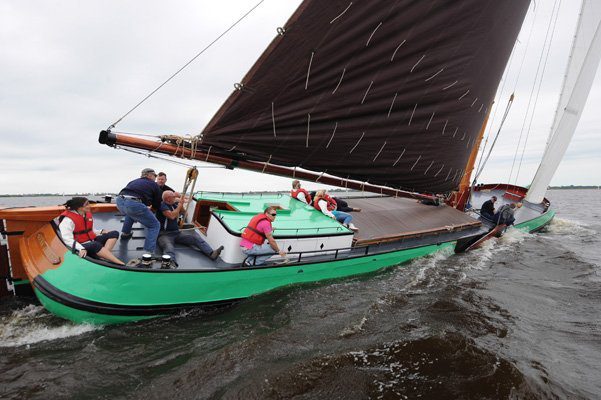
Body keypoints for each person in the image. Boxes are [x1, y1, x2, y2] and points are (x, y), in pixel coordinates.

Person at [156, 190, 223, 264]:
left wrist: (181, 205)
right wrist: (179, 206)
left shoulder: (173, 205)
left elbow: (185, 213)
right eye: (174, 197)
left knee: (194, 238)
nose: (175, 198)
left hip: (176, 232)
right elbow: (171, 216)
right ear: (168, 198)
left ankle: (211, 253)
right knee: (168, 246)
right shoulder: (162, 205)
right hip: (164, 234)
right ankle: (171, 262)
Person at [58, 197, 125, 265]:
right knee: (95, 245)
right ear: (79, 207)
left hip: (91, 240)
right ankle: (120, 263)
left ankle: (104, 256)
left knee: (114, 233)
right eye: (86, 204)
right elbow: (67, 239)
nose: (89, 206)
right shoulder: (67, 220)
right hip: (80, 244)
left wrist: (101, 231)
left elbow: (90, 230)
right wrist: (81, 248)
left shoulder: (86, 214)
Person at [116, 168, 162, 253]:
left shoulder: (133, 181)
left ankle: (125, 234)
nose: (155, 178)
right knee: (155, 225)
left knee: (131, 213)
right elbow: (157, 202)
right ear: (150, 175)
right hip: (133, 204)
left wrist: (142, 207)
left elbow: (135, 193)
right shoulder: (153, 184)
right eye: (155, 176)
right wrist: (153, 210)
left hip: (119, 201)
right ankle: (148, 252)